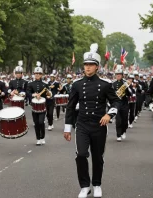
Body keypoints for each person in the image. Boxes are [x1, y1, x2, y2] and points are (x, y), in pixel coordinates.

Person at [63, 44, 121, 198]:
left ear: (97, 67)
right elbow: (70, 107)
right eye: (86, 65)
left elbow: (116, 102)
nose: (87, 68)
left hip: (99, 125)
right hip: (81, 124)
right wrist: (68, 128)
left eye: (91, 65)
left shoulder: (105, 85)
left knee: (97, 157)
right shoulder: (76, 85)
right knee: (81, 154)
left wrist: (109, 114)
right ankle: (84, 186)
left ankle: (96, 184)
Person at [27, 61, 52, 145]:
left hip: (42, 106)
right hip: (34, 106)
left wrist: (48, 94)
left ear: (41, 75)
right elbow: (28, 93)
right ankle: (38, 138)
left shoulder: (45, 84)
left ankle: (42, 137)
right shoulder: (30, 84)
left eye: (39, 74)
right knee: (36, 123)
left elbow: (49, 94)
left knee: (41, 122)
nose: (37, 75)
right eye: (36, 73)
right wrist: (33, 95)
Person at [112, 65, 132, 141]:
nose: (118, 76)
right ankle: (118, 135)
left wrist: (126, 89)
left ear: (122, 75)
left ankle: (123, 131)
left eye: (119, 74)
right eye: (117, 74)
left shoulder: (125, 83)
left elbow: (130, 93)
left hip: (124, 103)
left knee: (124, 119)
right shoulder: (113, 83)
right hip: (117, 103)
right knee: (118, 120)